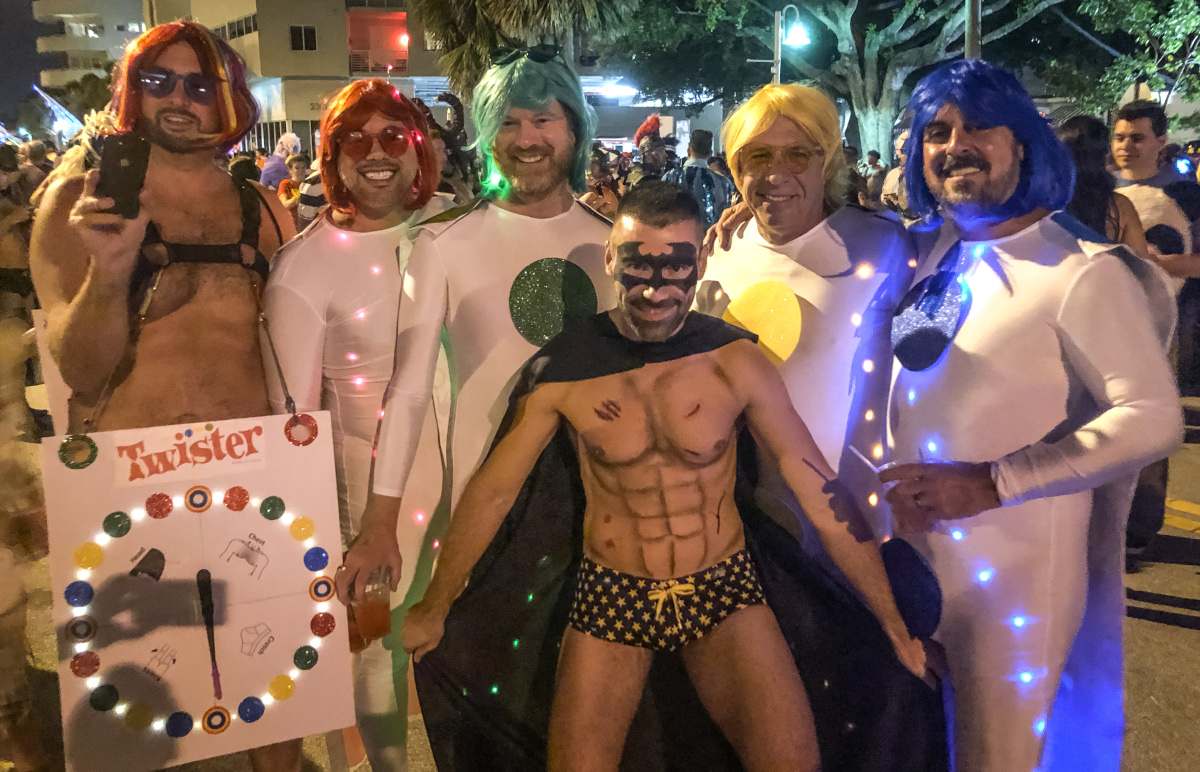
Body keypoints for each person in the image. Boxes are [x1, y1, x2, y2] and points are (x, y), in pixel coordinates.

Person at [402, 181, 944, 771]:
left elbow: (814, 484)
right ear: (611, 260)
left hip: (722, 586)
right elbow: (496, 491)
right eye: (638, 264)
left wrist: (891, 620)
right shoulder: (567, 369)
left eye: (675, 264)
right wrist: (437, 603)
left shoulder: (734, 362)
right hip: (613, 593)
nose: (656, 286)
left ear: (701, 262)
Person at [882, 59, 1181, 772]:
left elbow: (1152, 415)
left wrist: (996, 481)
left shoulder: (1079, 270)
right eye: (937, 130)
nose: (956, 143)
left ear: (1023, 143)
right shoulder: (937, 255)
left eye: (980, 126)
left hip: (1017, 587)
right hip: (913, 569)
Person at [28, 20, 299, 770]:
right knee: (138, 726)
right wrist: (110, 272)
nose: (179, 99)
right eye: (159, 81)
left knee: (276, 697)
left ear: (230, 102)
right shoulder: (78, 204)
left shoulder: (266, 212)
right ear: (132, 92)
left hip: (248, 484)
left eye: (200, 84)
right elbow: (80, 370)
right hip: (130, 492)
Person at [335, 43, 617, 737]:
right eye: (510, 122)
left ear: (574, 129)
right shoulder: (442, 244)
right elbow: (405, 392)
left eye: (545, 120)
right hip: (485, 522)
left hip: (605, 514)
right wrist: (379, 519)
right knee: (496, 714)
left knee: (596, 713)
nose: (528, 139)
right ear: (487, 133)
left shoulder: (617, 244)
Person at [262, 78, 445, 771]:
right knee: (369, 656)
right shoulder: (304, 268)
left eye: (393, 136)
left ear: (418, 150)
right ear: (330, 158)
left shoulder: (452, 230)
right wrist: (353, 527)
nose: (376, 154)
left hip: (462, 489)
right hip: (366, 500)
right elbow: (294, 425)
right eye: (354, 140)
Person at [697, 83, 915, 542]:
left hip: (846, 520)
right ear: (736, 169)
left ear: (827, 162)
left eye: (797, 155)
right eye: (757, 157)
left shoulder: (885, 246)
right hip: (728, 520)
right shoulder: (717, 251)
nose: (776, 174)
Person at [663, 128, 735, 228]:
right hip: (709, 240)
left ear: (689, 149)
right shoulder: (724, 183)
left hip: (674, 238)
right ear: (710, 153)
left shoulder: (669, 177)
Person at [627, 114, 671, 188]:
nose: (666, 155)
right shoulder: (640, 181)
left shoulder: (656, 175)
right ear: (649, 153)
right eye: (661, 151)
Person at [276, 152, 310, 222]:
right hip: (293, 222)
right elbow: (285, 204)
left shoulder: (310, 182)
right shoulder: (285, 184)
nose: (301, 170)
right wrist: (301, 196)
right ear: (290, 170)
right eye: (297, 168)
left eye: (303, 167)